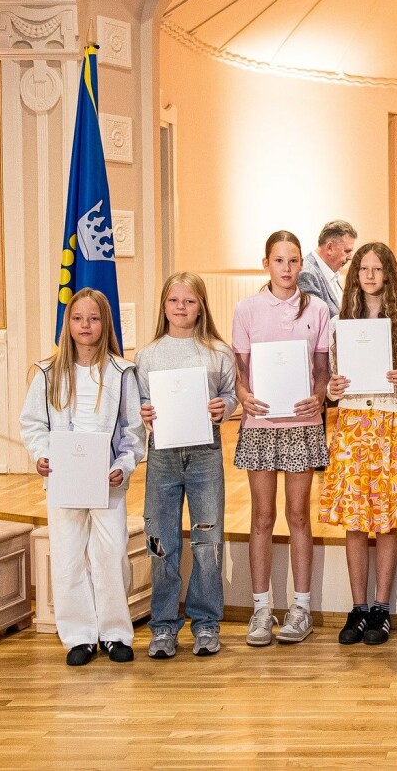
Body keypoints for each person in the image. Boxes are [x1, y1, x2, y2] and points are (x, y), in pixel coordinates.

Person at [20, 289, 144, 667]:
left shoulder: (122, 373)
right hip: (65, 481)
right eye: (77, 318)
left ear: (105, 323)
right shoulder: (46, 373)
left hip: (107, 483)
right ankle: (79, 635)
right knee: (69, 556)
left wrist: (122, 466)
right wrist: (42, 456)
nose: (85, 325)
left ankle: (115, 633)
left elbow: (133, 431)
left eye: (93, 318)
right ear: (67, 324)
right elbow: (33, 425)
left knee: (109, 555)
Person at [321, 242, 397, 646]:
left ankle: (381, 608)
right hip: (351, 424)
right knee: (354, 519)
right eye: (363, 268)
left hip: (391, 422)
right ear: (355, 274)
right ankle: (358, 607)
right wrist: (332, 388)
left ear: (388, 275)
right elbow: (334, 381)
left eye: (377, 268)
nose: (369, 275)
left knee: (387, 518)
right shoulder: (340, 322)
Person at [232, 230, 332, 647]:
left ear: (301, 265)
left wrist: (319, 397)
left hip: (301, 426)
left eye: (293, 261)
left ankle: (301, 607)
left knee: (299, 516)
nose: (287, 269)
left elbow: (323, 370)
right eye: (279, 261)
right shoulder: (247, 309)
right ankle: (260, 609)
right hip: (260, 426)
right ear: (266, 264)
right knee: (260, 517)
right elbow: (241, 374)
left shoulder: (319, 309)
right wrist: (244, 396)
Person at [135, 272, 237, 659]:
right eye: (174, 300)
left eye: (189, 301)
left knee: (208, 542)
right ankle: (162, 626)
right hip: (162, 454)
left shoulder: (216, 352)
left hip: (204, 454)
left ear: (201, 306)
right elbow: (139, 403)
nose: (181, 307)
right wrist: (143, 411)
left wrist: (224, 407)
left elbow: (230, 396)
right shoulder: (148, 355)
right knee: (161, 543)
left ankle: (206, 622)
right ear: (164, 306)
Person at [298, 220, 357, 316]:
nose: (350, 257)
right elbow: (315, 321)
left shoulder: (331, 272)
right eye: (347, 251)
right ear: (330, 248)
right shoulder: (307, 275)